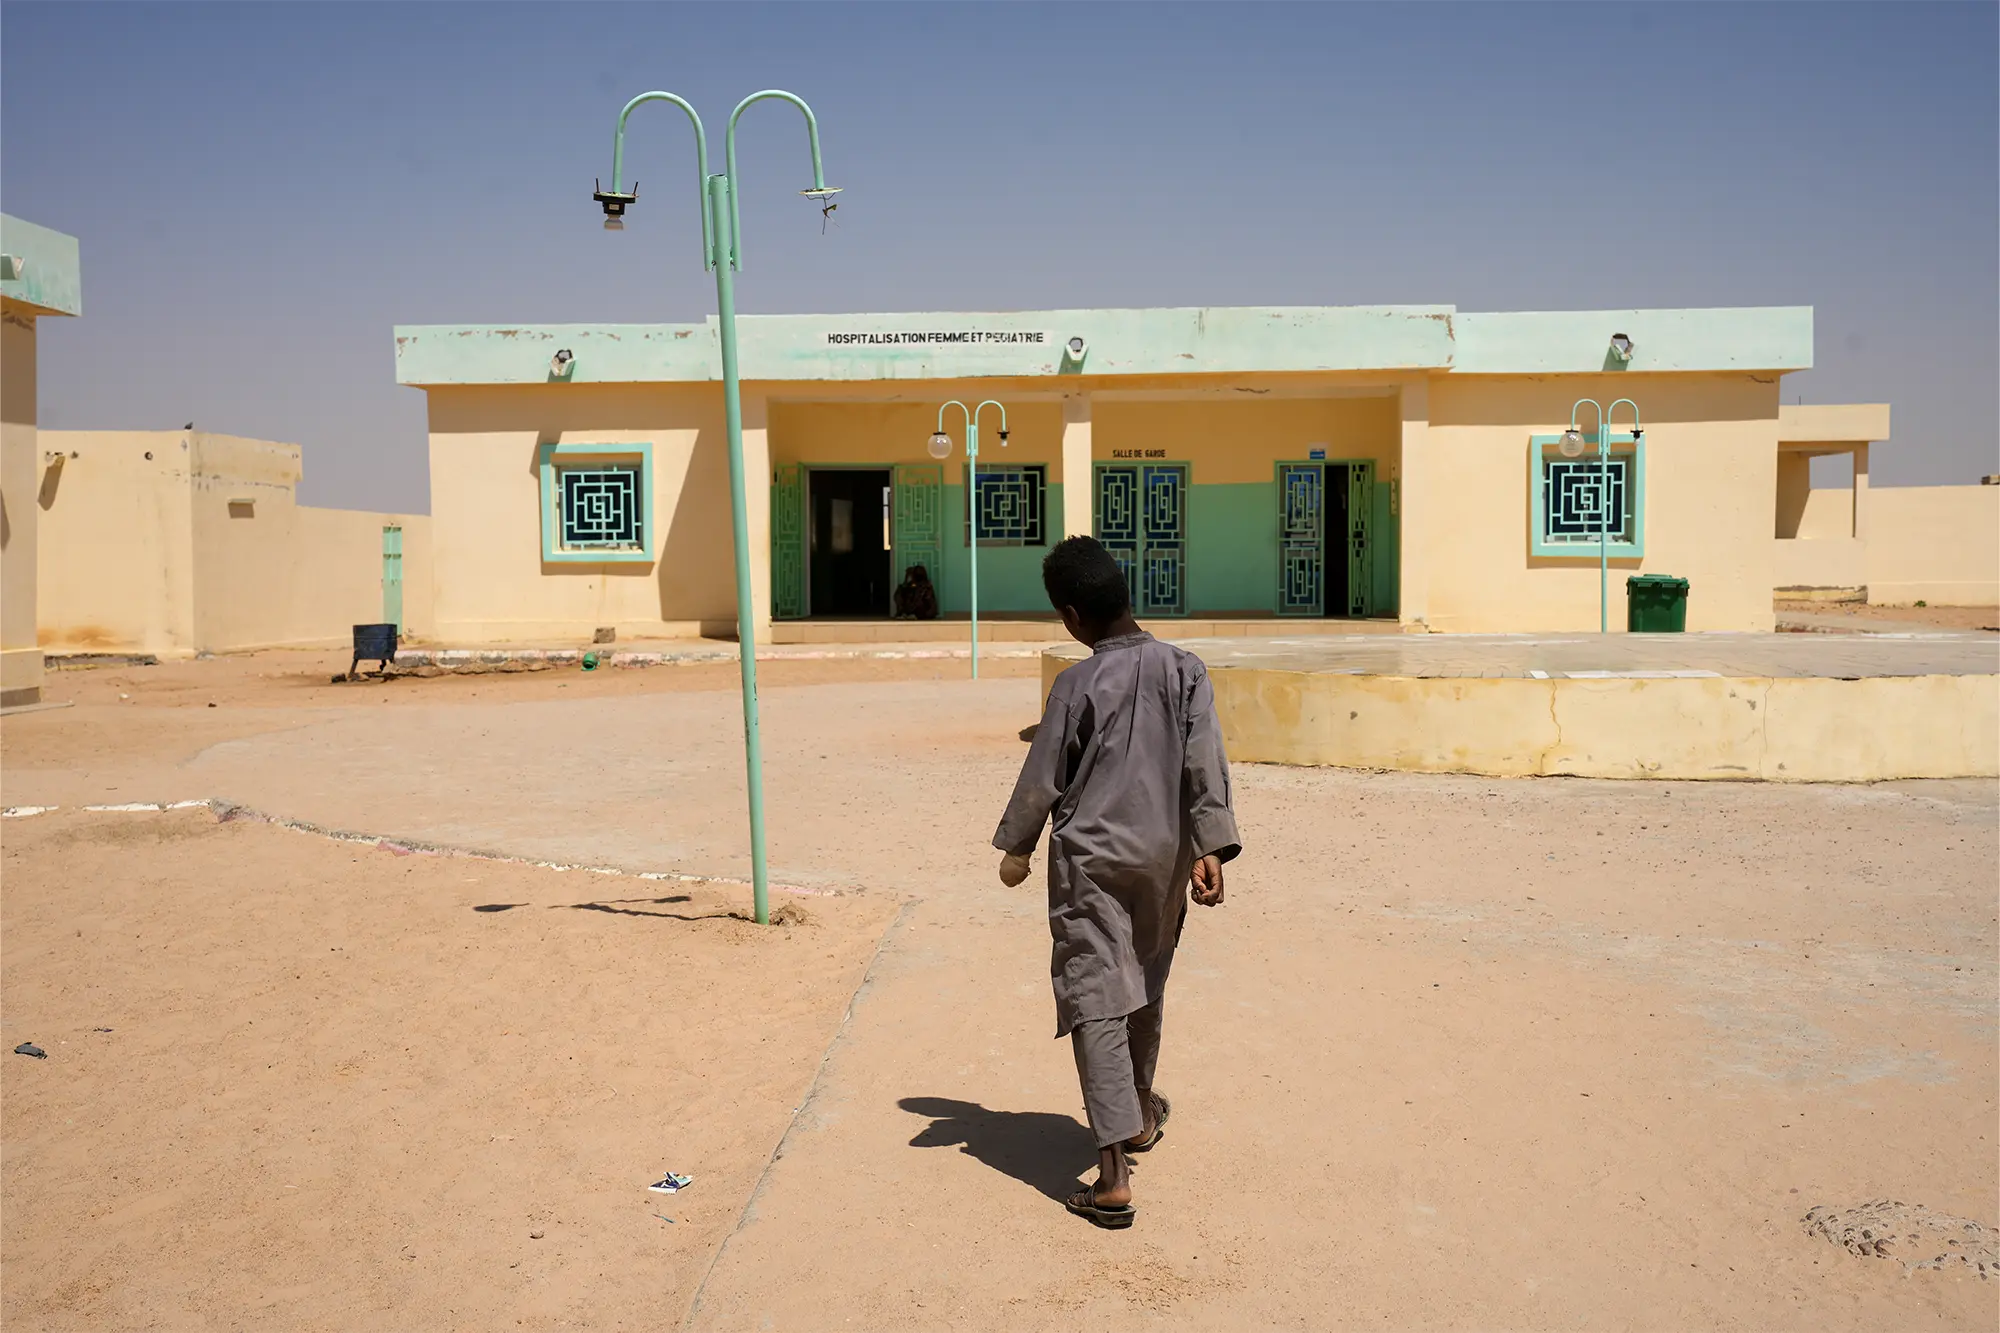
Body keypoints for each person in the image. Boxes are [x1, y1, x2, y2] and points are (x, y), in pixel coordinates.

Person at [992, 535, 1240, 1229]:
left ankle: (1111, 1179)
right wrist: (1212, 846)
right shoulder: (1186, 669)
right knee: (1145, 981)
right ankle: (1138, 1111)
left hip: (1092, 863)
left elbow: (1043, 776)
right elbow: (1204, 761)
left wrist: (1017, 845)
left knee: (1097, 994)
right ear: (1127, 595)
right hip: (1165, 856)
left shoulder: (1074, 685)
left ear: (1071, 616)